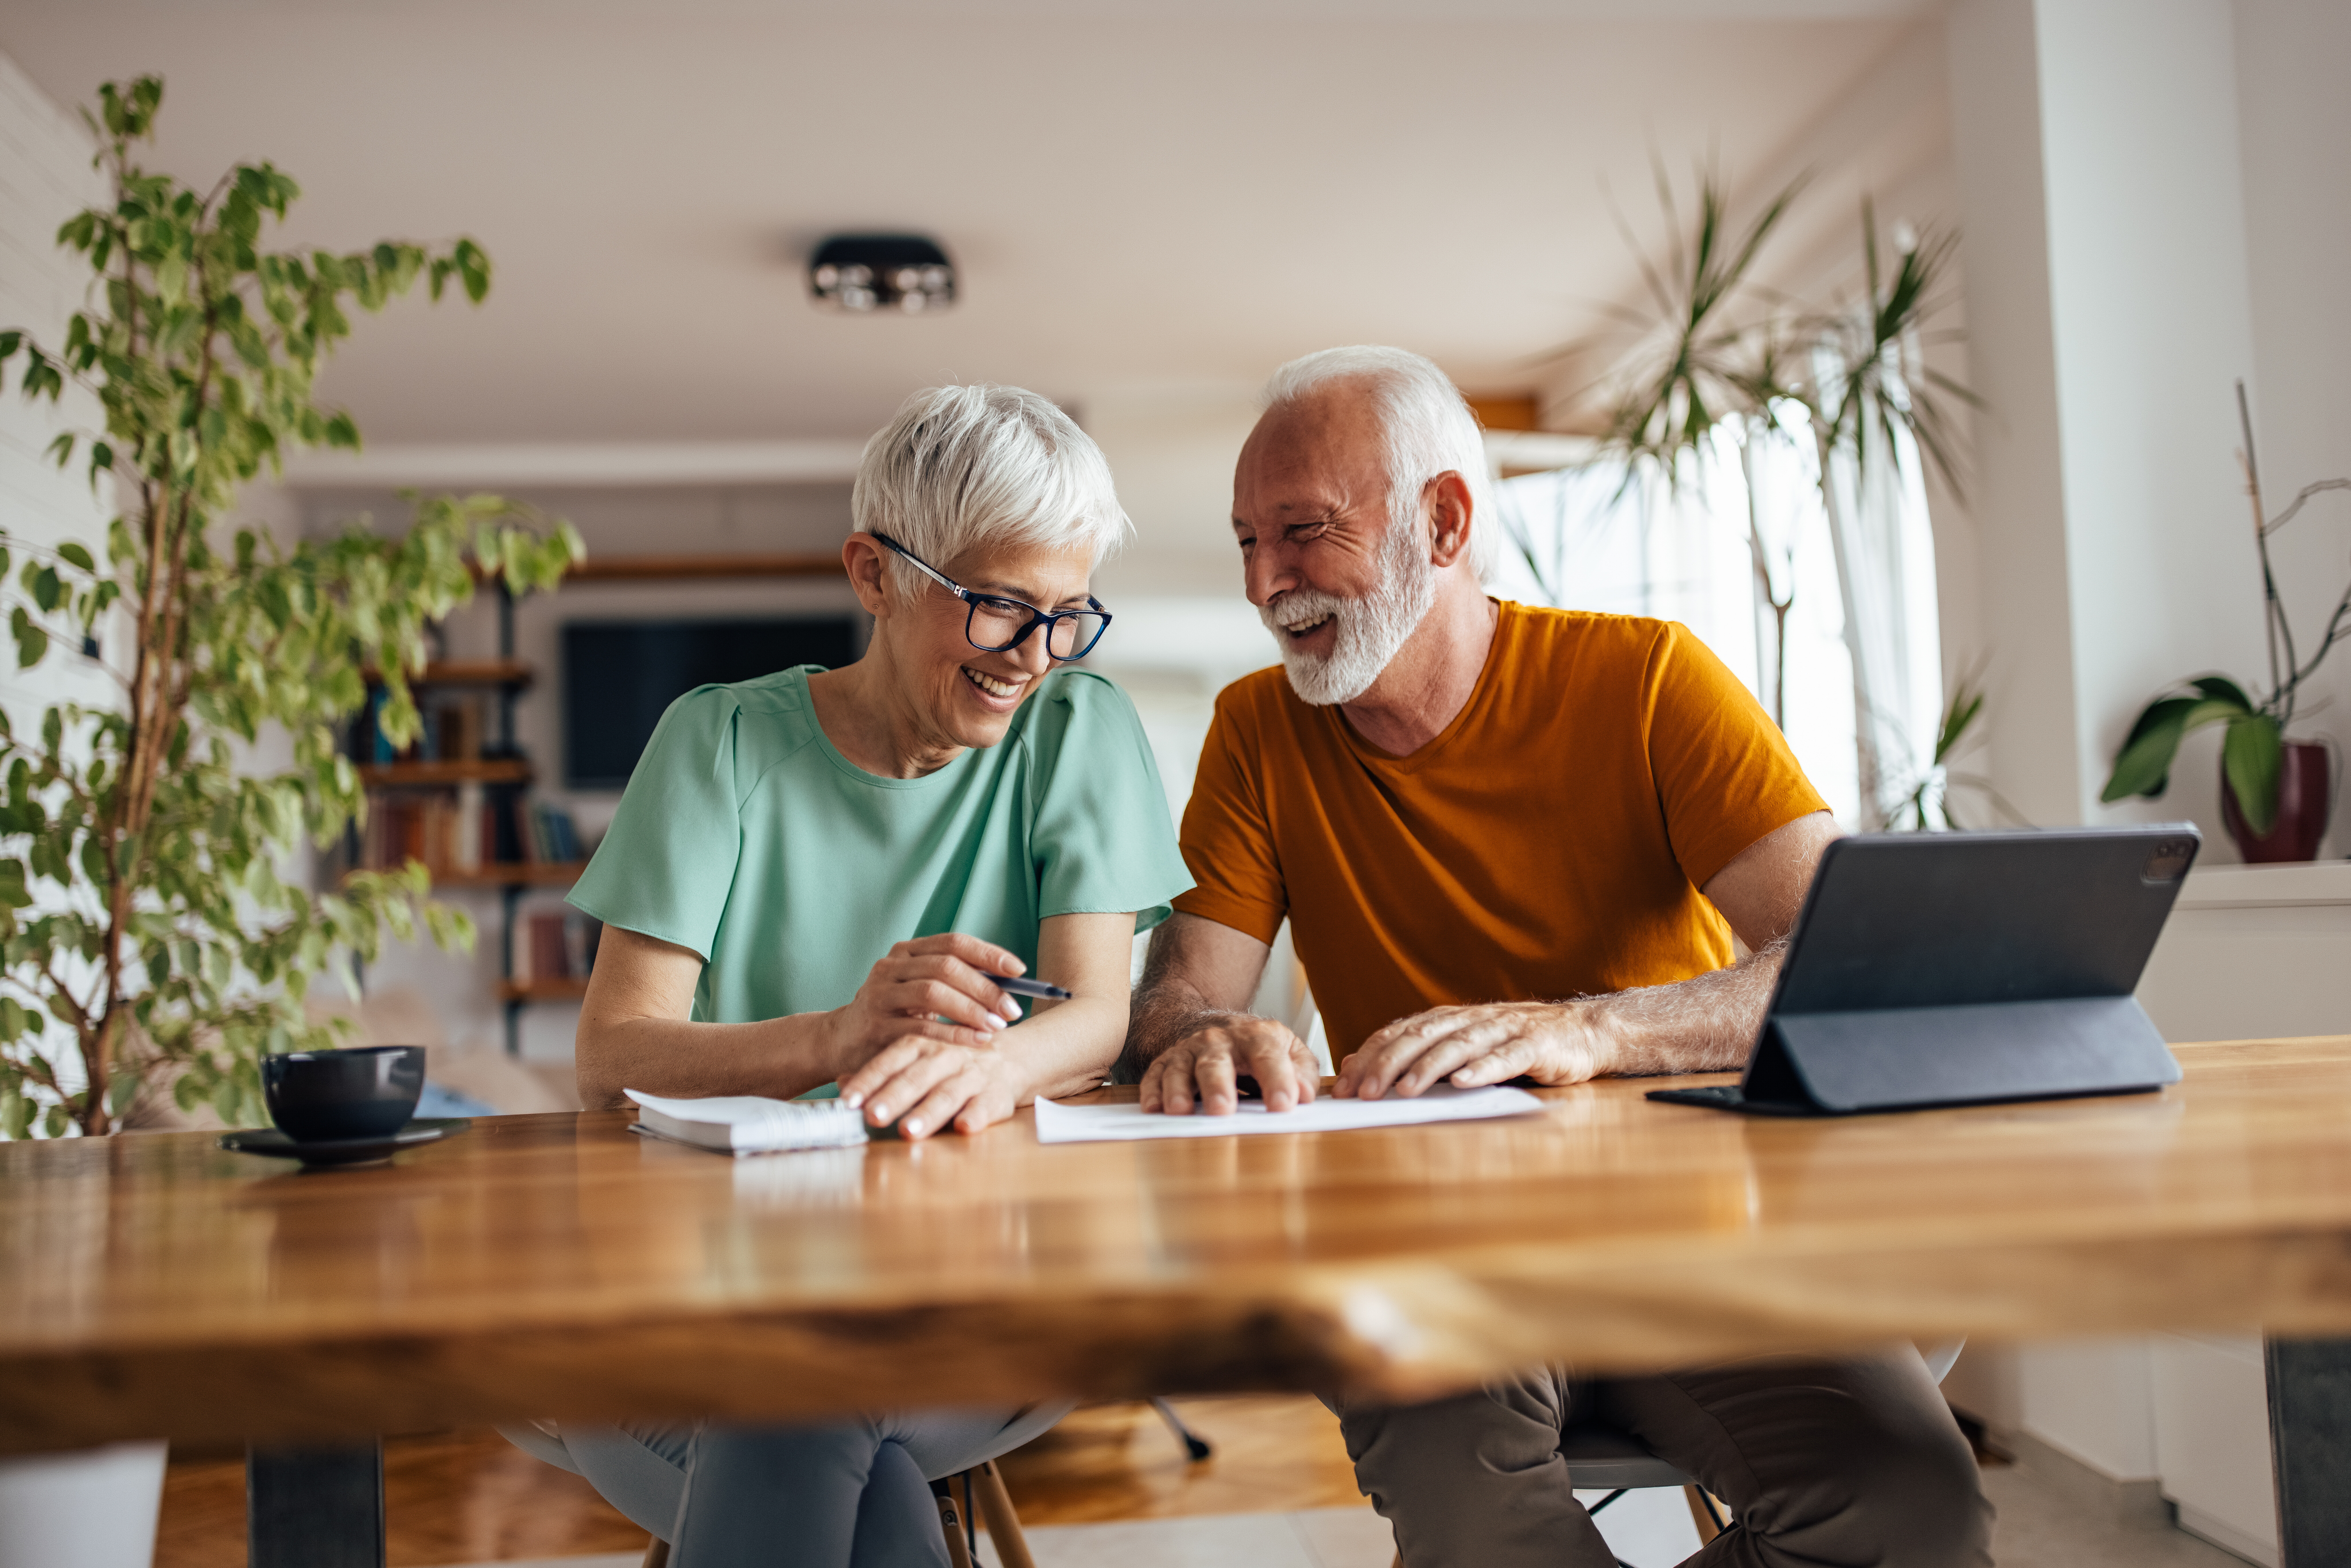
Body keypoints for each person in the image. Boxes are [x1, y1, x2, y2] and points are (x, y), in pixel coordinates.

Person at [1121, 346, 1992, 1567]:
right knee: (1485, 1537)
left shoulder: (1644, 679)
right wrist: (1201, 1035)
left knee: (1916, 1507)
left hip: (1694, 1231)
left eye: (1304, 531)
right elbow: (1180, 996)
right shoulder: (1253, 732)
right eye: (1245, 543)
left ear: (1442, 519)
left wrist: (1588, 1029)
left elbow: (1848, 955)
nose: (1267, 582)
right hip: (1429, 1259)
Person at [540, 385, 1191, 1568]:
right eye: (998, 609)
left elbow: (1094, 1017)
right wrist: (840, 1038)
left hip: (976, 1290)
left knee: (806, 1394)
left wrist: (979, 1065)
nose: (1033, 658)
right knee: (823, 1409)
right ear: (875, 573)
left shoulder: (1076, 731)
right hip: (698, 1294)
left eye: (1066, 614)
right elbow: (610, 1058)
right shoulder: (721, 741)